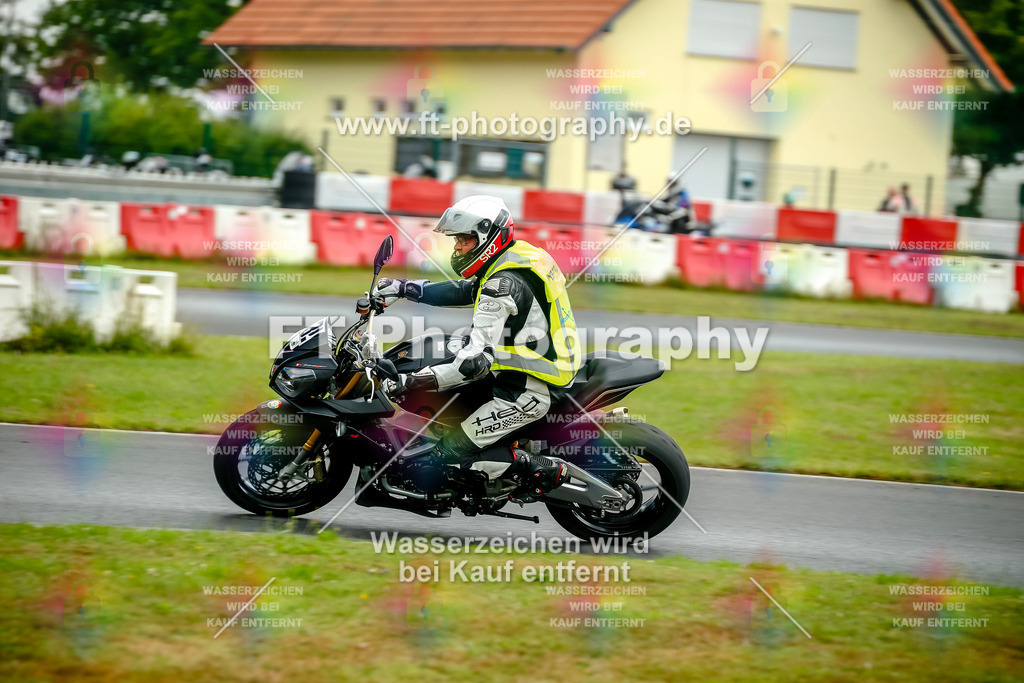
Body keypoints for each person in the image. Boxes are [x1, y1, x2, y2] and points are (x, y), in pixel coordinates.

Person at [375, 195, 581, 502]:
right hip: (539, 363)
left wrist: (406, 382)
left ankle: (541, 468)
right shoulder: (519, 257)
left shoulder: (502, 286)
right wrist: (404, 288)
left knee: (448, 455)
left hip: (529, 389)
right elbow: (469, 290)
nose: (457, 248)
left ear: (489, 238)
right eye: (457, 240)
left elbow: (471, 364)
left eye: (465, 240)